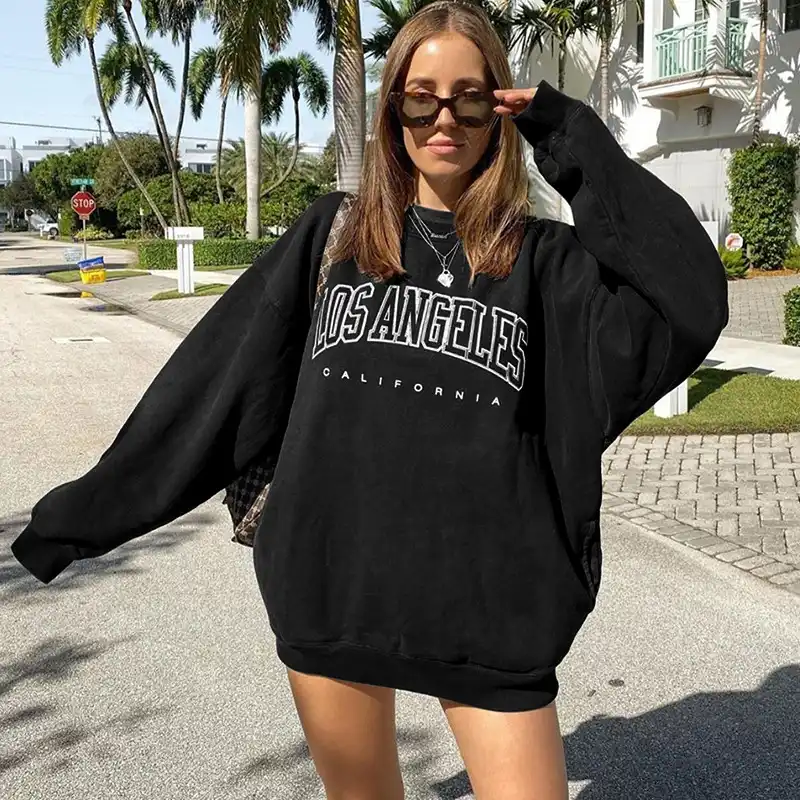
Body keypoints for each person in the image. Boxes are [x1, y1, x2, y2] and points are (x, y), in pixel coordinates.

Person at [11, 2, 729, 798]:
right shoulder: (336, 238)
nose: (444, 118)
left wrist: (567, 133)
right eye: (421, 98)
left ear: (500, 109)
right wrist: (75, 521)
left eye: (469, 98)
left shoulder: (547, 265)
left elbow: (689, 300)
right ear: (392, 110)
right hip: (333, 595)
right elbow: (211, 389)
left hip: (492, 617)